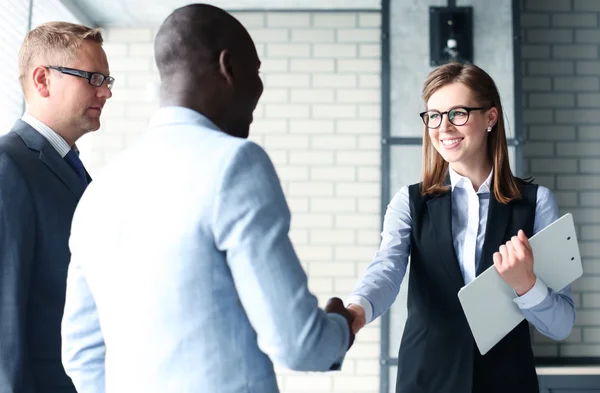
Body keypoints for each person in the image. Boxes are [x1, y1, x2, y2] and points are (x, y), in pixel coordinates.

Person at [60, 4, 354, 393]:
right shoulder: (234, 164)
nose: (259, 89)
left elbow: (81, 353)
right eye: (257, 71)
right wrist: (340, 326)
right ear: (227, 67)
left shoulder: (99, 191)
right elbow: (299, 345)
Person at [345, 62, 575, 393]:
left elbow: (562, 324)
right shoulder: (409, 202)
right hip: (426, 378)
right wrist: (356, 311)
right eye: (434, 115)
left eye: (458, 113)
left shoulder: (536, 203)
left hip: (507, 381)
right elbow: (386, 269)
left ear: (491, 117)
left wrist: (527, 284)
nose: (443, 127)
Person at [0, 21, 113, 393]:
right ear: (43, 80)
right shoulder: (9, 164)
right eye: (93, 78)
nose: (105, 93)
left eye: (107, 81)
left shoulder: (72, 168)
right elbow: (6, 310)